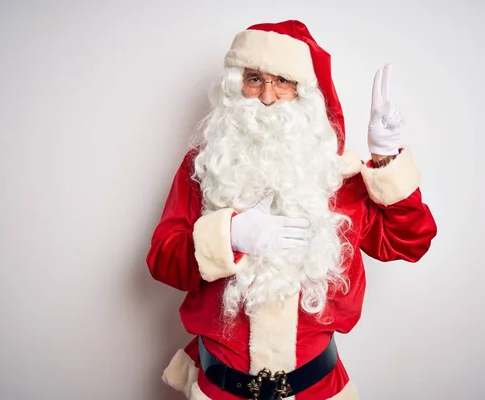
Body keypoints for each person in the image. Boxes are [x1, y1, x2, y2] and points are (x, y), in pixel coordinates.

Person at [146, 20, 437, 400]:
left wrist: (384, 158)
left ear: (304, 92)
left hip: (316, 390)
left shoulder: (339, 178)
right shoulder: (203, 166)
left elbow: (409, 242)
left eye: (282, 81)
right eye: (254, 79)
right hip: (221, 391)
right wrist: (229, 235)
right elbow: (161, 260)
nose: (266, 96)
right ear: (236, 86)